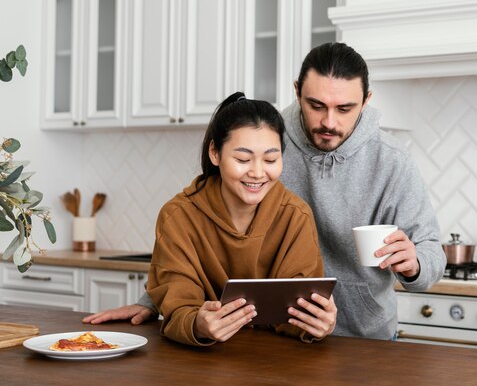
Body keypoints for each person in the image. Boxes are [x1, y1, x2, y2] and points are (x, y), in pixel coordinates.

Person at [84, 42, 446, 341]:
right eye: (316, 105)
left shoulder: (392, 161)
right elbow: (202, 228)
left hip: (363, 335)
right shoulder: (265, 135)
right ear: (297, 92)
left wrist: (414, 263)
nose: (328, 122)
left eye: (345, 108)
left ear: (366, 102)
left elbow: (431, 253)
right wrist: (165, 303)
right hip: (268, 337)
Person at [141, 92, 336, 346]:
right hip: (198, 365)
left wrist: (316, 322)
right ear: (215, 153)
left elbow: (298, 311)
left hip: (278, 363)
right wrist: (197, 323)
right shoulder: (178, 216)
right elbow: (177, 308)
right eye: (243, 159)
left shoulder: (295, 215)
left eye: (270, 159)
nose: (257, 173)